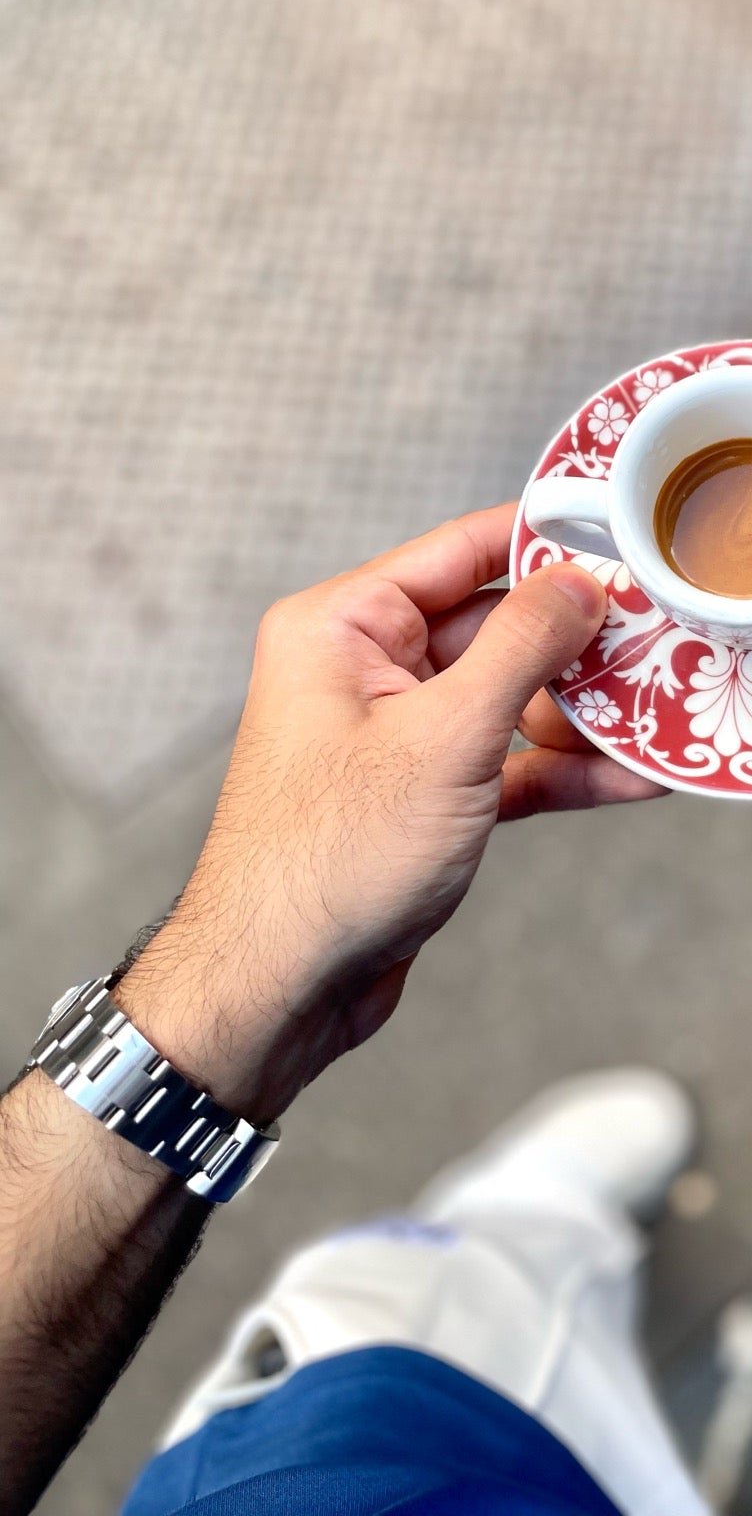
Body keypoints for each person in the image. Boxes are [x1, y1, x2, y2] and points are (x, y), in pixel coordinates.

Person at [0, 506, 711, 1516]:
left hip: (339, 1431)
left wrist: (253, 975)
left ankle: (527, 1222)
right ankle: (529, 1231)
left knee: (462, 1291)